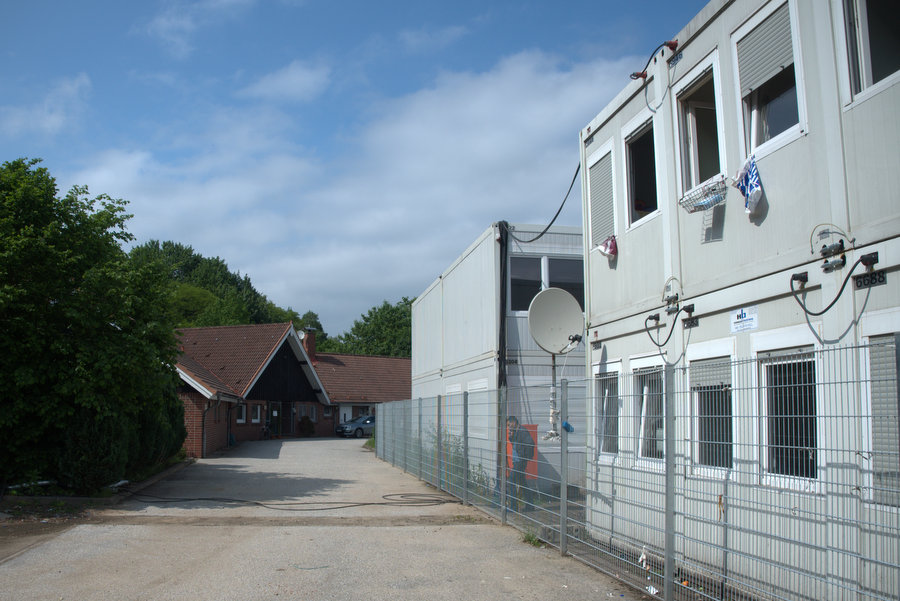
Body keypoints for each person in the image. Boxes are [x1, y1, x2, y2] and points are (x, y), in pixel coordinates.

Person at [506, 415, 534, 511]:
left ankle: (513, 506)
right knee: (522, 482)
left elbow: (530, 444)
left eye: (509, 424)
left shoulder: (522, 431)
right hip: (517, 460)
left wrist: (524, 457)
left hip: (520, 461)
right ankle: (530, 505)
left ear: (514, 423)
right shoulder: (516, 432)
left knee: (511, 480)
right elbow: (515, 444)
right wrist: (511, 437)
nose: (509, 427)